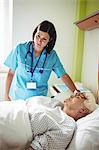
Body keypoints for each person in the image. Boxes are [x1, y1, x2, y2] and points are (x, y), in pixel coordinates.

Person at [4, 20, 79, 101]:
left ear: (49, 40)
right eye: (38, 36)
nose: (39, 41)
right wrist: (6, 95)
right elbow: (11, 73)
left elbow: (63, 75)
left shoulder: (52, 56)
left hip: (39, 100)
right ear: (35, 33)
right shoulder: (20, 49)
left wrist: (76, 92)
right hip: (18, 97)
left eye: (44, 39)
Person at [0, 92, 96, 150]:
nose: (73, 95)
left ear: (82, 110)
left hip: (13, 124)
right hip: (10, 108)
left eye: (78, 96)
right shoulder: (56, 105)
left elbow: (39, 147)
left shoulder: (68, 126)